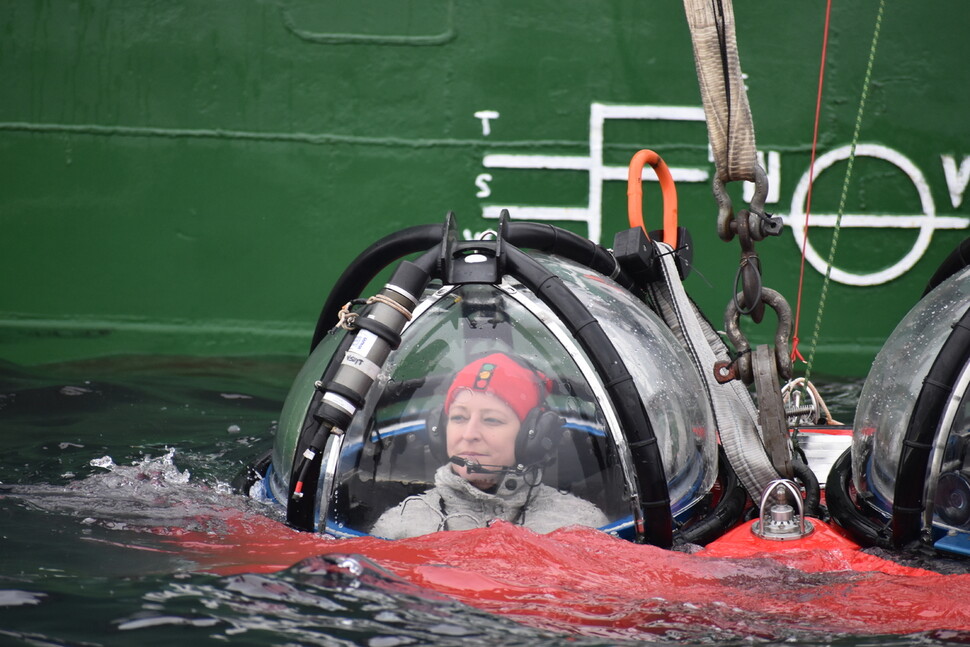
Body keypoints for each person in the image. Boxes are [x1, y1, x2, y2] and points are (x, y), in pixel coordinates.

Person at [369, 353, 609, 539]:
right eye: (459, 418)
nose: (469, 434)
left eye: (492, 420)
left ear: (532, 434)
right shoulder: (399, 526)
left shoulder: (581, 525)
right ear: (439, 430)